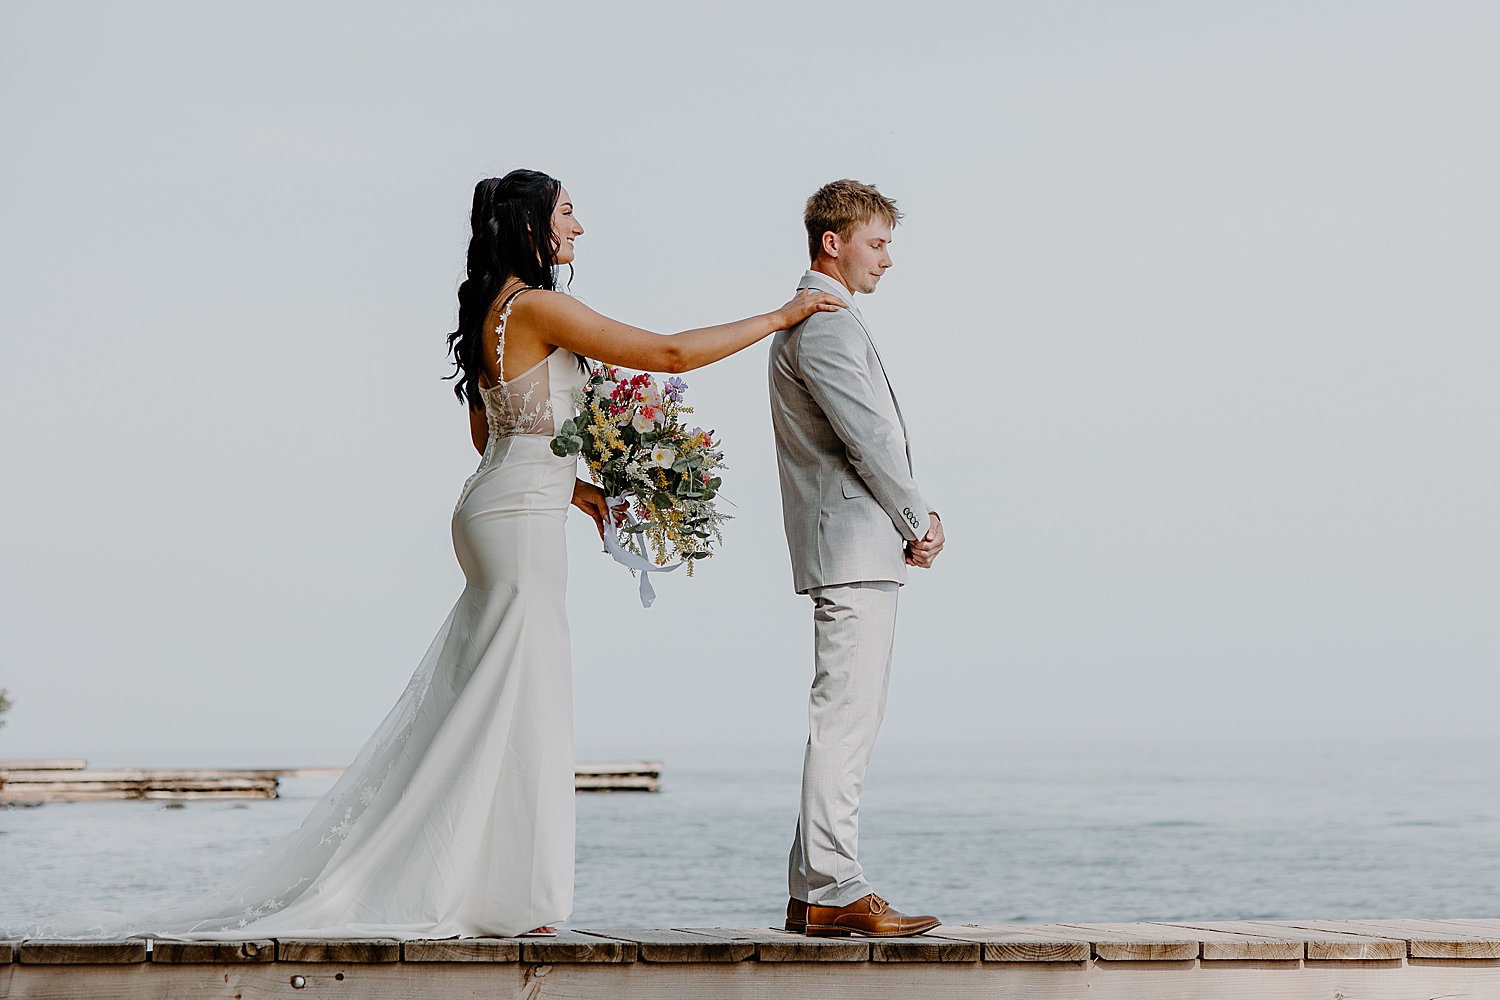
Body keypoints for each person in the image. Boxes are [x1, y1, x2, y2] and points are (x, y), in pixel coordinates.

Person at [39, 169, 844, 942]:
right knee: (522, 701)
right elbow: (666, 355)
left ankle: (494, 886)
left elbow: (491, 434)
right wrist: (780, 317)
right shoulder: (536, 306)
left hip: (498, 506)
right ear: (533, 226)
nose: (580, 225)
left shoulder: (496, 309)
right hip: (519, 524)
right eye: (568, 212)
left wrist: (578, 487)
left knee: (496, 697)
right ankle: (484, 889)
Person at [768, 179, 945, 938]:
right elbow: (868, 437)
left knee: (846, 716)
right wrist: (919, 516)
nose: (888, 260)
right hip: (854, 545)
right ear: (831, 243)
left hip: (848, 545)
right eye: (877, 243)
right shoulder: (828, 325)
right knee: (845, 719)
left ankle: (816, 892)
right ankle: (835, 886)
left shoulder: (819, 320)